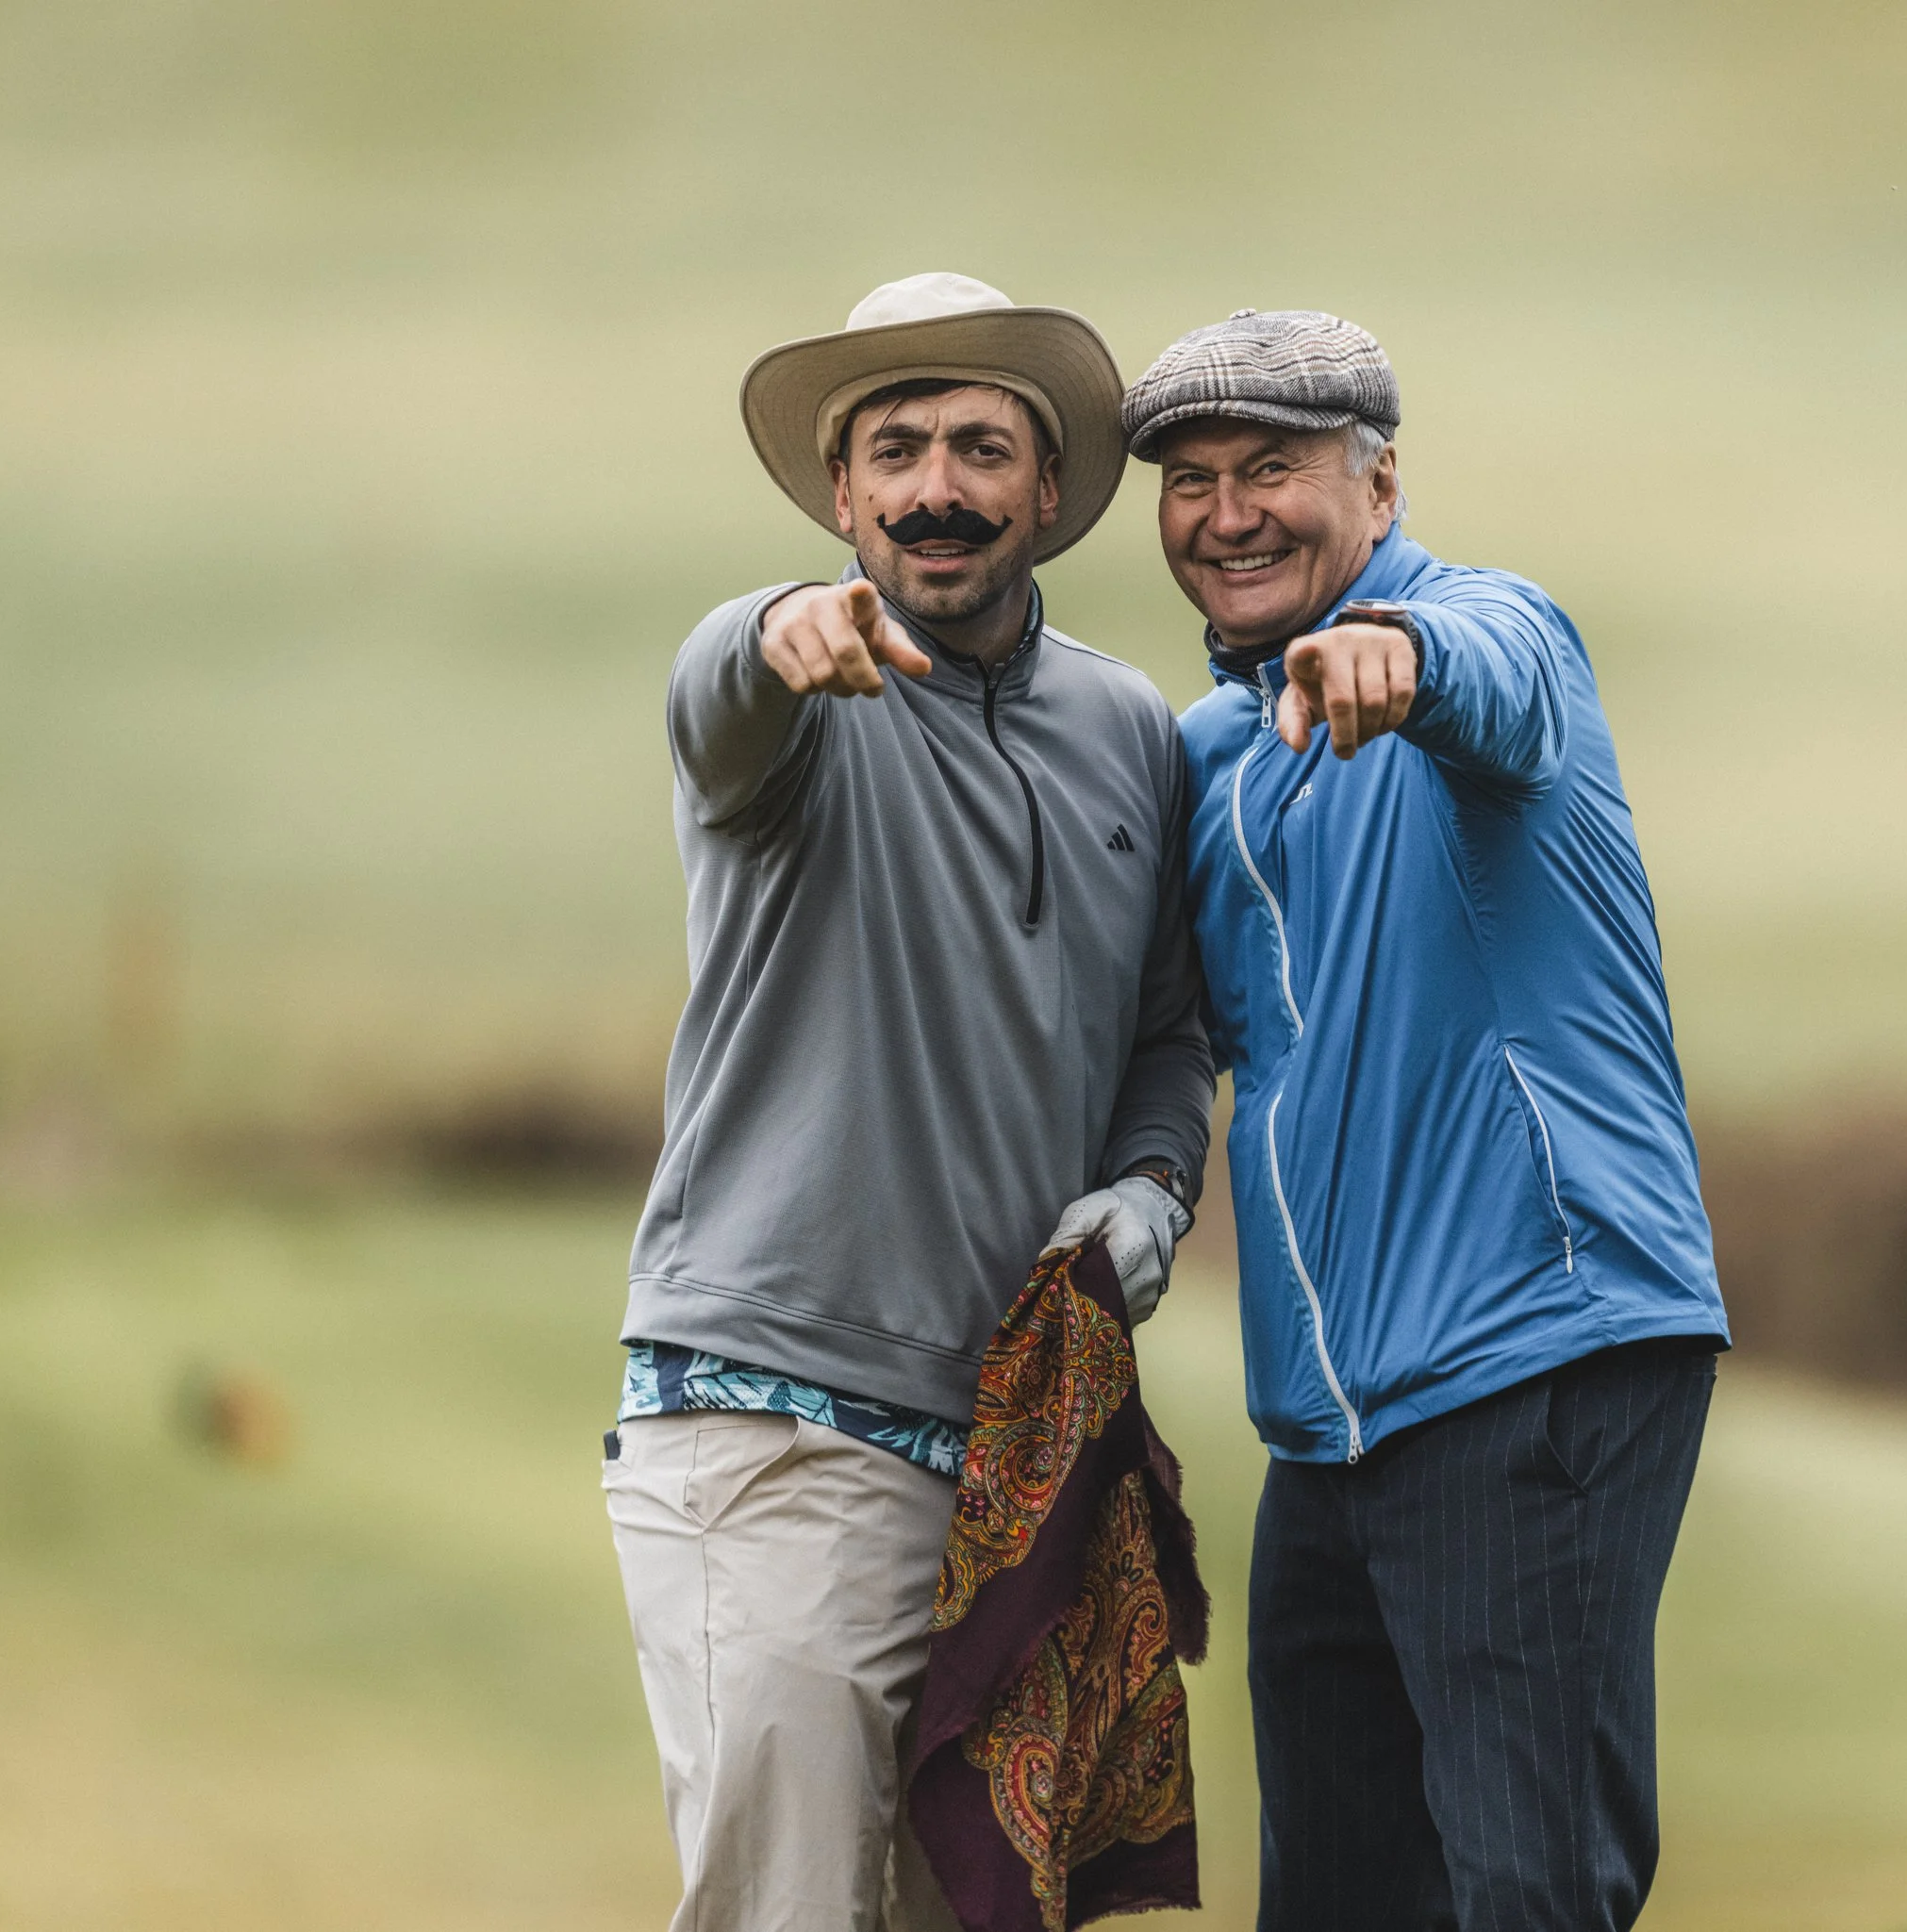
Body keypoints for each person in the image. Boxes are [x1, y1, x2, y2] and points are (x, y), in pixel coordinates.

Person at [604, 272, 1213, 1932]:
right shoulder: (791, 694)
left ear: (1049, 494)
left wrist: (1155, 1186)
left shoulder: (1128, 735)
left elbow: (1167, 1032)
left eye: (977, 447)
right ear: (843, 494)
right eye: (895, 450)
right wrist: (779, 635)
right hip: (774, 1426)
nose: (935, 484)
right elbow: (721, 694)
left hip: (1020, 1467)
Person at [1122, 308, 1730, 1932]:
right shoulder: (1209, 756)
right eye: (1192, 479)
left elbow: (1500, 684)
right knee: (1333, 1900)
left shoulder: (1484, 628)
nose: (1229, 511)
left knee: (1527, 1892)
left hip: (1537, 1346)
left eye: (1273, 469)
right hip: (1333, 1423)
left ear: (1379, 486)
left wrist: (1407, 660)